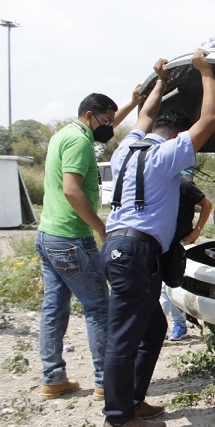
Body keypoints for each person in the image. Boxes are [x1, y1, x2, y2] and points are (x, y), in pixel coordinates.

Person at [100, 49, 215, 427]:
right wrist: (205, 73)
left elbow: (145, 115)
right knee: (124, 337)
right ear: (176, 137)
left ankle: (133, 401)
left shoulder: (126, 148)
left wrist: (160, 83)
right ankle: (119, 418)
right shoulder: (166, 156)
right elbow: (211, 119)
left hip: (120, 249)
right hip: (136, 252)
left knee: (152, 329)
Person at [36, 88, 142, 401]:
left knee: (54, 308)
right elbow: (71, 190)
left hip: (48, 235)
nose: (110, 126)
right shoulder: (80, 142)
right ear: (89, 116)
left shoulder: (64, 134)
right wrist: (100, 227)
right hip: (71, 237)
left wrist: (133, 102)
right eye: (106, 121)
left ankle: (52, 378)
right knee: (98, 306)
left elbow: (106, 127)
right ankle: (106, 381)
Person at [159, 174, 212, 340]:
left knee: (168, 287)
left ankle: (173, 325)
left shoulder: (183, 183)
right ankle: (178, 323)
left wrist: (196, 232)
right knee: (165, 288)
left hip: (179, 244)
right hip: (160, 242)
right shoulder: (155, 180)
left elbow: (207, 204)